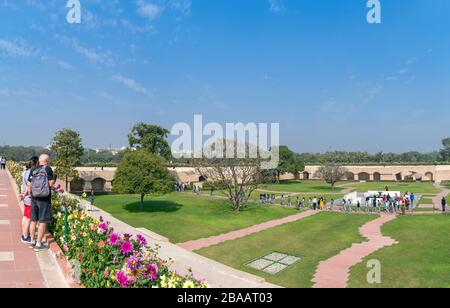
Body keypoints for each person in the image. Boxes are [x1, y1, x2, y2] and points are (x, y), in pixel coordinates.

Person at [27, 154, 55, 252]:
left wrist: (32, 194)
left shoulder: (33, 169)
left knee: (33, 220)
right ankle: (39, 244)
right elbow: (51, 183)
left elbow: (29, 184)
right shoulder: (48, 169)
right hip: (44, 199)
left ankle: (32, 241)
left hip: (34, 198)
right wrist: (43, 189)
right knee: (42, 222)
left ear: (39, 160)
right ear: (47, 161)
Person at [18, 157, 39, 244]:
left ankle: (24, 235)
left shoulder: (25, 171)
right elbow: (30, 186)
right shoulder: (32, 173)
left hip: (25, 197)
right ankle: (26, 237)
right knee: (29, 218)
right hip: (29, 197)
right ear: (36, 163)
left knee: (25, 217)